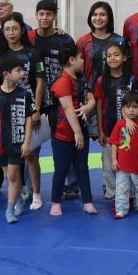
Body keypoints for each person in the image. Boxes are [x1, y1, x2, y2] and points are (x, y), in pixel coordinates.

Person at [0, 12, 47, 210]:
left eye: (15, 28)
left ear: (22, 30)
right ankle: (19, 192)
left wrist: (36, 109)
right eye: (7, 29)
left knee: (31, 154)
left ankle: (36, 194)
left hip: (29, 109)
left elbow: (41, 81)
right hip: (7, 112)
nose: (11, 33)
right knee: (11, 156)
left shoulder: (33, 53)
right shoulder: (0, 54)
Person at [30, 0, 77, 197]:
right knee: (31, 147)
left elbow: (74, 67)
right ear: (36, 15)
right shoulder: (29, 38)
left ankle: (72, 185)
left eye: (49, 14)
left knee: (64, 144)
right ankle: (29, 189)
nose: (44, 17)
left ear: (55, 16)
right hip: (36, 100)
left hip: (60, 100)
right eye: (41, 14)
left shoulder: (65, 40)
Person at [0, 55, 36, 224]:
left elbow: (29, 119)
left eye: (22, 70)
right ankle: (18, 199)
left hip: (17, 142)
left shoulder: (25, 94)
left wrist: (27, 142)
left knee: (12, 175)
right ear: (6, 74)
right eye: (18, 70)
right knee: (8, 175)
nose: (22, 73)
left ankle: (9, 209)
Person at [48, 44, 99, 216]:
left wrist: (87, 108)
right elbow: (68, 108)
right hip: (62, 134)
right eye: (80, 58)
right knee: (61, 169)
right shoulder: (63, 81)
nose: (83, 60)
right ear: (72, 60)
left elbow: (92, 99)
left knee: (82, 167)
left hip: (81, 131)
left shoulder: (81, 78)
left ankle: (88, 201)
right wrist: (77, 132)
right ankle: (55, 202)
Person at [95, 43, 138, 204]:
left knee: (129, 163)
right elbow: (99, 106)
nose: (112, 58)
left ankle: (131, 195)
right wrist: (101, 131)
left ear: (124, 58)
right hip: (109, 130)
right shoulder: (102, 81)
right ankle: (113, 194)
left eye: (116, 55)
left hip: (129, 130)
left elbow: (136, 104)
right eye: (109, 56)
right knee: (109, 165)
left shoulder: (132, 80)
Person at [110, 91, 138, 218]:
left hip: (137, 165)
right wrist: (114, 160)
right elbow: (114, 143)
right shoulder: (119, 124)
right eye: (128, 107)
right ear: (123, 109)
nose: (131, 110)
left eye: (135, 107)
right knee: (121, 188)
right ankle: (121, 209)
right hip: (122, 166)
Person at [77, 1, 127, 93]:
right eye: (94, 14)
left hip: (116, 92)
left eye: (102, 14)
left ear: (109, 17)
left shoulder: (120, 41)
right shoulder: (83, 41)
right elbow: (77, 71)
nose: (98, 18)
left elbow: (127, 68)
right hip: (90, 93)